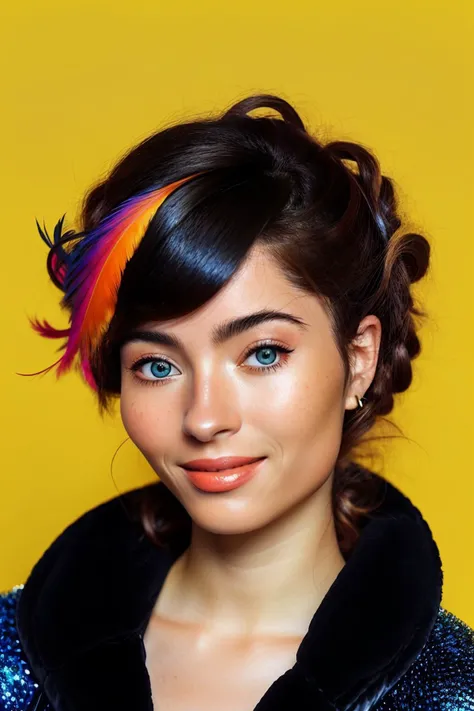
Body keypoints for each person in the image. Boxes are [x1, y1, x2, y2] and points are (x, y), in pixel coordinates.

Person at [1, 93, 473, 711]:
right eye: (158, 365)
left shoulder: (453, 688)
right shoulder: (13, 653)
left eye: (264, 354)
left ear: (358, 358)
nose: (204, 418)